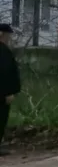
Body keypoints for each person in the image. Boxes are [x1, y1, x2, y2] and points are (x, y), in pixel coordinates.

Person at [0, 23, 21, 156]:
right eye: (8, 35)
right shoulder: (3, 51)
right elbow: (5, 72)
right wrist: (8, 93)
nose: (9, 38)